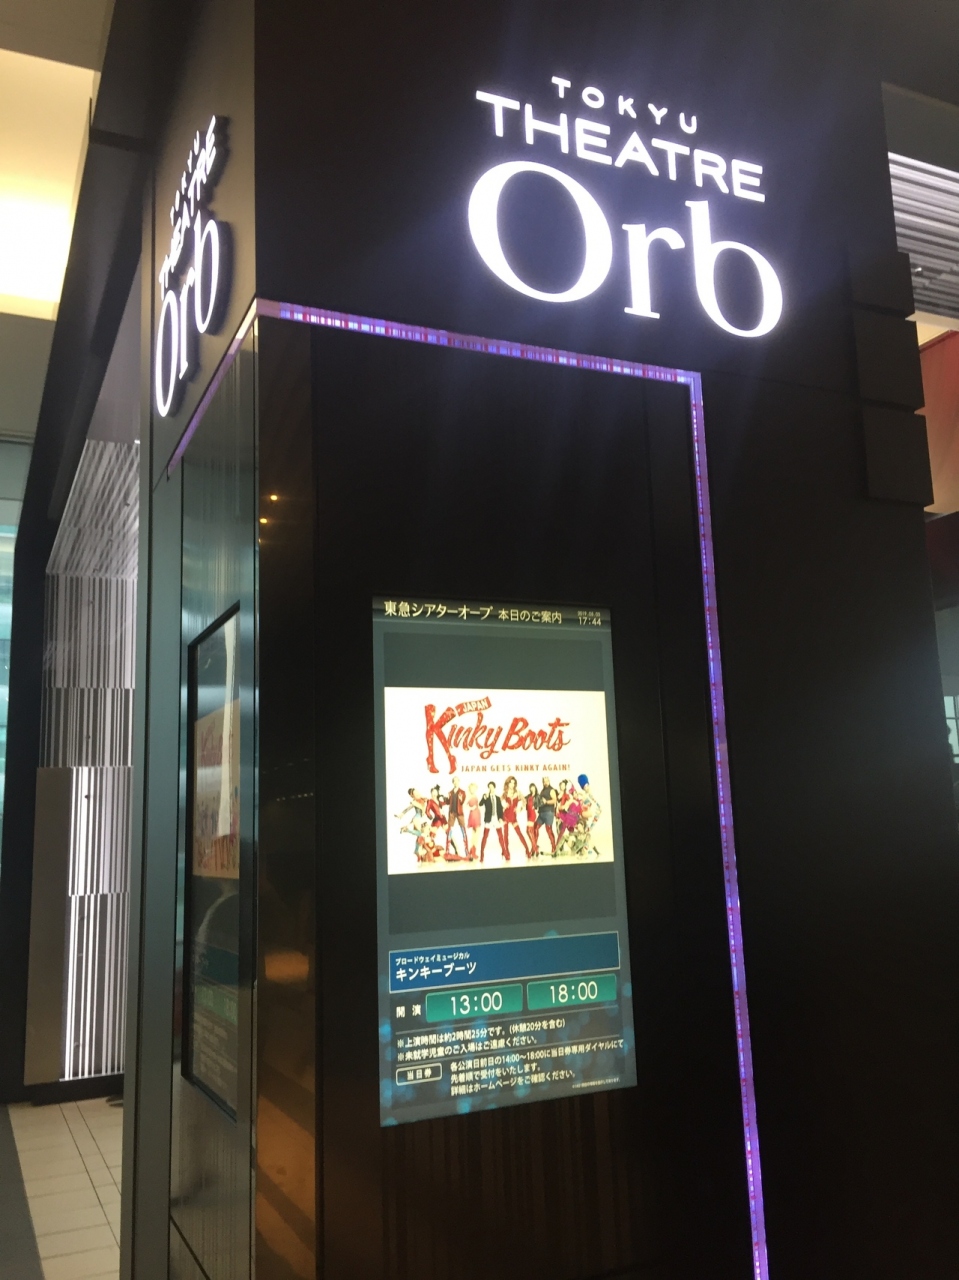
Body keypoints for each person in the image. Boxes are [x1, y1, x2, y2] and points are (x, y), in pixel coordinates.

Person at [479, 780, 508, 862]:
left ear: (494, 788)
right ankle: (482, 855)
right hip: (489, 819)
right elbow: (480, 804)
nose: (491, 788)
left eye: (492, 787)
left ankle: (504, 852)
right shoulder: (486, 796)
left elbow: (500, 809)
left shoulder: (497, 798)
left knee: (500, 836)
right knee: (485, 837)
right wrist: (484, 798)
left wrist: (501, 818)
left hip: (496, 818)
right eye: (489, 787)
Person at [501, 776, 529, 859]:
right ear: (508, 783)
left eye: (514, 783)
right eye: (511, 783)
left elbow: (524, 801)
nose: (512, 784)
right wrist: (503, 806)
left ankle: (527, 850)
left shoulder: (518, 792)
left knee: (519, 833)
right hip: (505, 816)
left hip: (513, 816)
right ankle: (506, 852)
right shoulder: (505, 793)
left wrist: (520, 808)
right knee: (506, 835)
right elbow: (498, 803)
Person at [446, 775, 468, 859]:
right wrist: (446, 798)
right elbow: (448, 802)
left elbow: (462, 802)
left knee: (463, 830)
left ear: (459, 781)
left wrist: (461, 798)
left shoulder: (462, 792)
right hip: (452, 812)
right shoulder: (450, 792)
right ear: (453, 782)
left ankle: (466, 850)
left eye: (457, 780)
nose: (455, 782)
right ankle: (447, 850)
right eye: (454, 781)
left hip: (459, 813)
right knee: (449, 830)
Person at [535, 773, 558, 855]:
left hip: (548, 812)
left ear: (549, 781)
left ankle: (554, 847)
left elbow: (554, 800)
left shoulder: (551, 790)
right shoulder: (542, 791)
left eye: (547, 781)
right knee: (535, 828)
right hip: (541, 813)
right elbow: (540, 801)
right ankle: (535, 846)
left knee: (549, 830)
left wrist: (546, 801)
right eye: (544, 781)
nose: (545, 782)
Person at [466, 782, 482, 859]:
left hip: (477, 814)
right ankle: (473, 852)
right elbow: (464, 805)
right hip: (474, 815)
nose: (473, 790)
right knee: (475, 834)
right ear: (470, 789)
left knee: (475, 834)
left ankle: (472, 851)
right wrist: (471, 808)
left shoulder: (474, 795)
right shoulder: (469, 796)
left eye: (474, 788)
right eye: (472, 788)